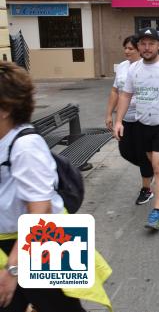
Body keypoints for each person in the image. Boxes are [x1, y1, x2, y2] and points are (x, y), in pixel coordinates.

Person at [0, 62, 88, 311]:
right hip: (11, 243)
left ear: (5, 108)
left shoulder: (25, 146)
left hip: (46, 241)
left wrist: (12, 270)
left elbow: (40, 213)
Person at [114, 27, 159, 230]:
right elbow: (126, 95)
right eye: (143, 44)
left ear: (158, 45)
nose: (147, 48)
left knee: (158, 167)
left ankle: (156, 212)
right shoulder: (134, 69)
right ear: (139, 46)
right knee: (156, 165)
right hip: (142, 125)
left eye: (151, 43)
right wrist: (119, 121)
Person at [105, 36, 154, 205]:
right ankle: (152, 168)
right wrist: (109, 114)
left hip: (143, 118)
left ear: (139, 49)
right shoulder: (122, 68)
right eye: (125, 48)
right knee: (125, 151)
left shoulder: (146, 67)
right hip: (125, 118)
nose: (126, 51)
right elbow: (115, 92)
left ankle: (146, 188)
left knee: (142, 152)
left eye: (130, 48)